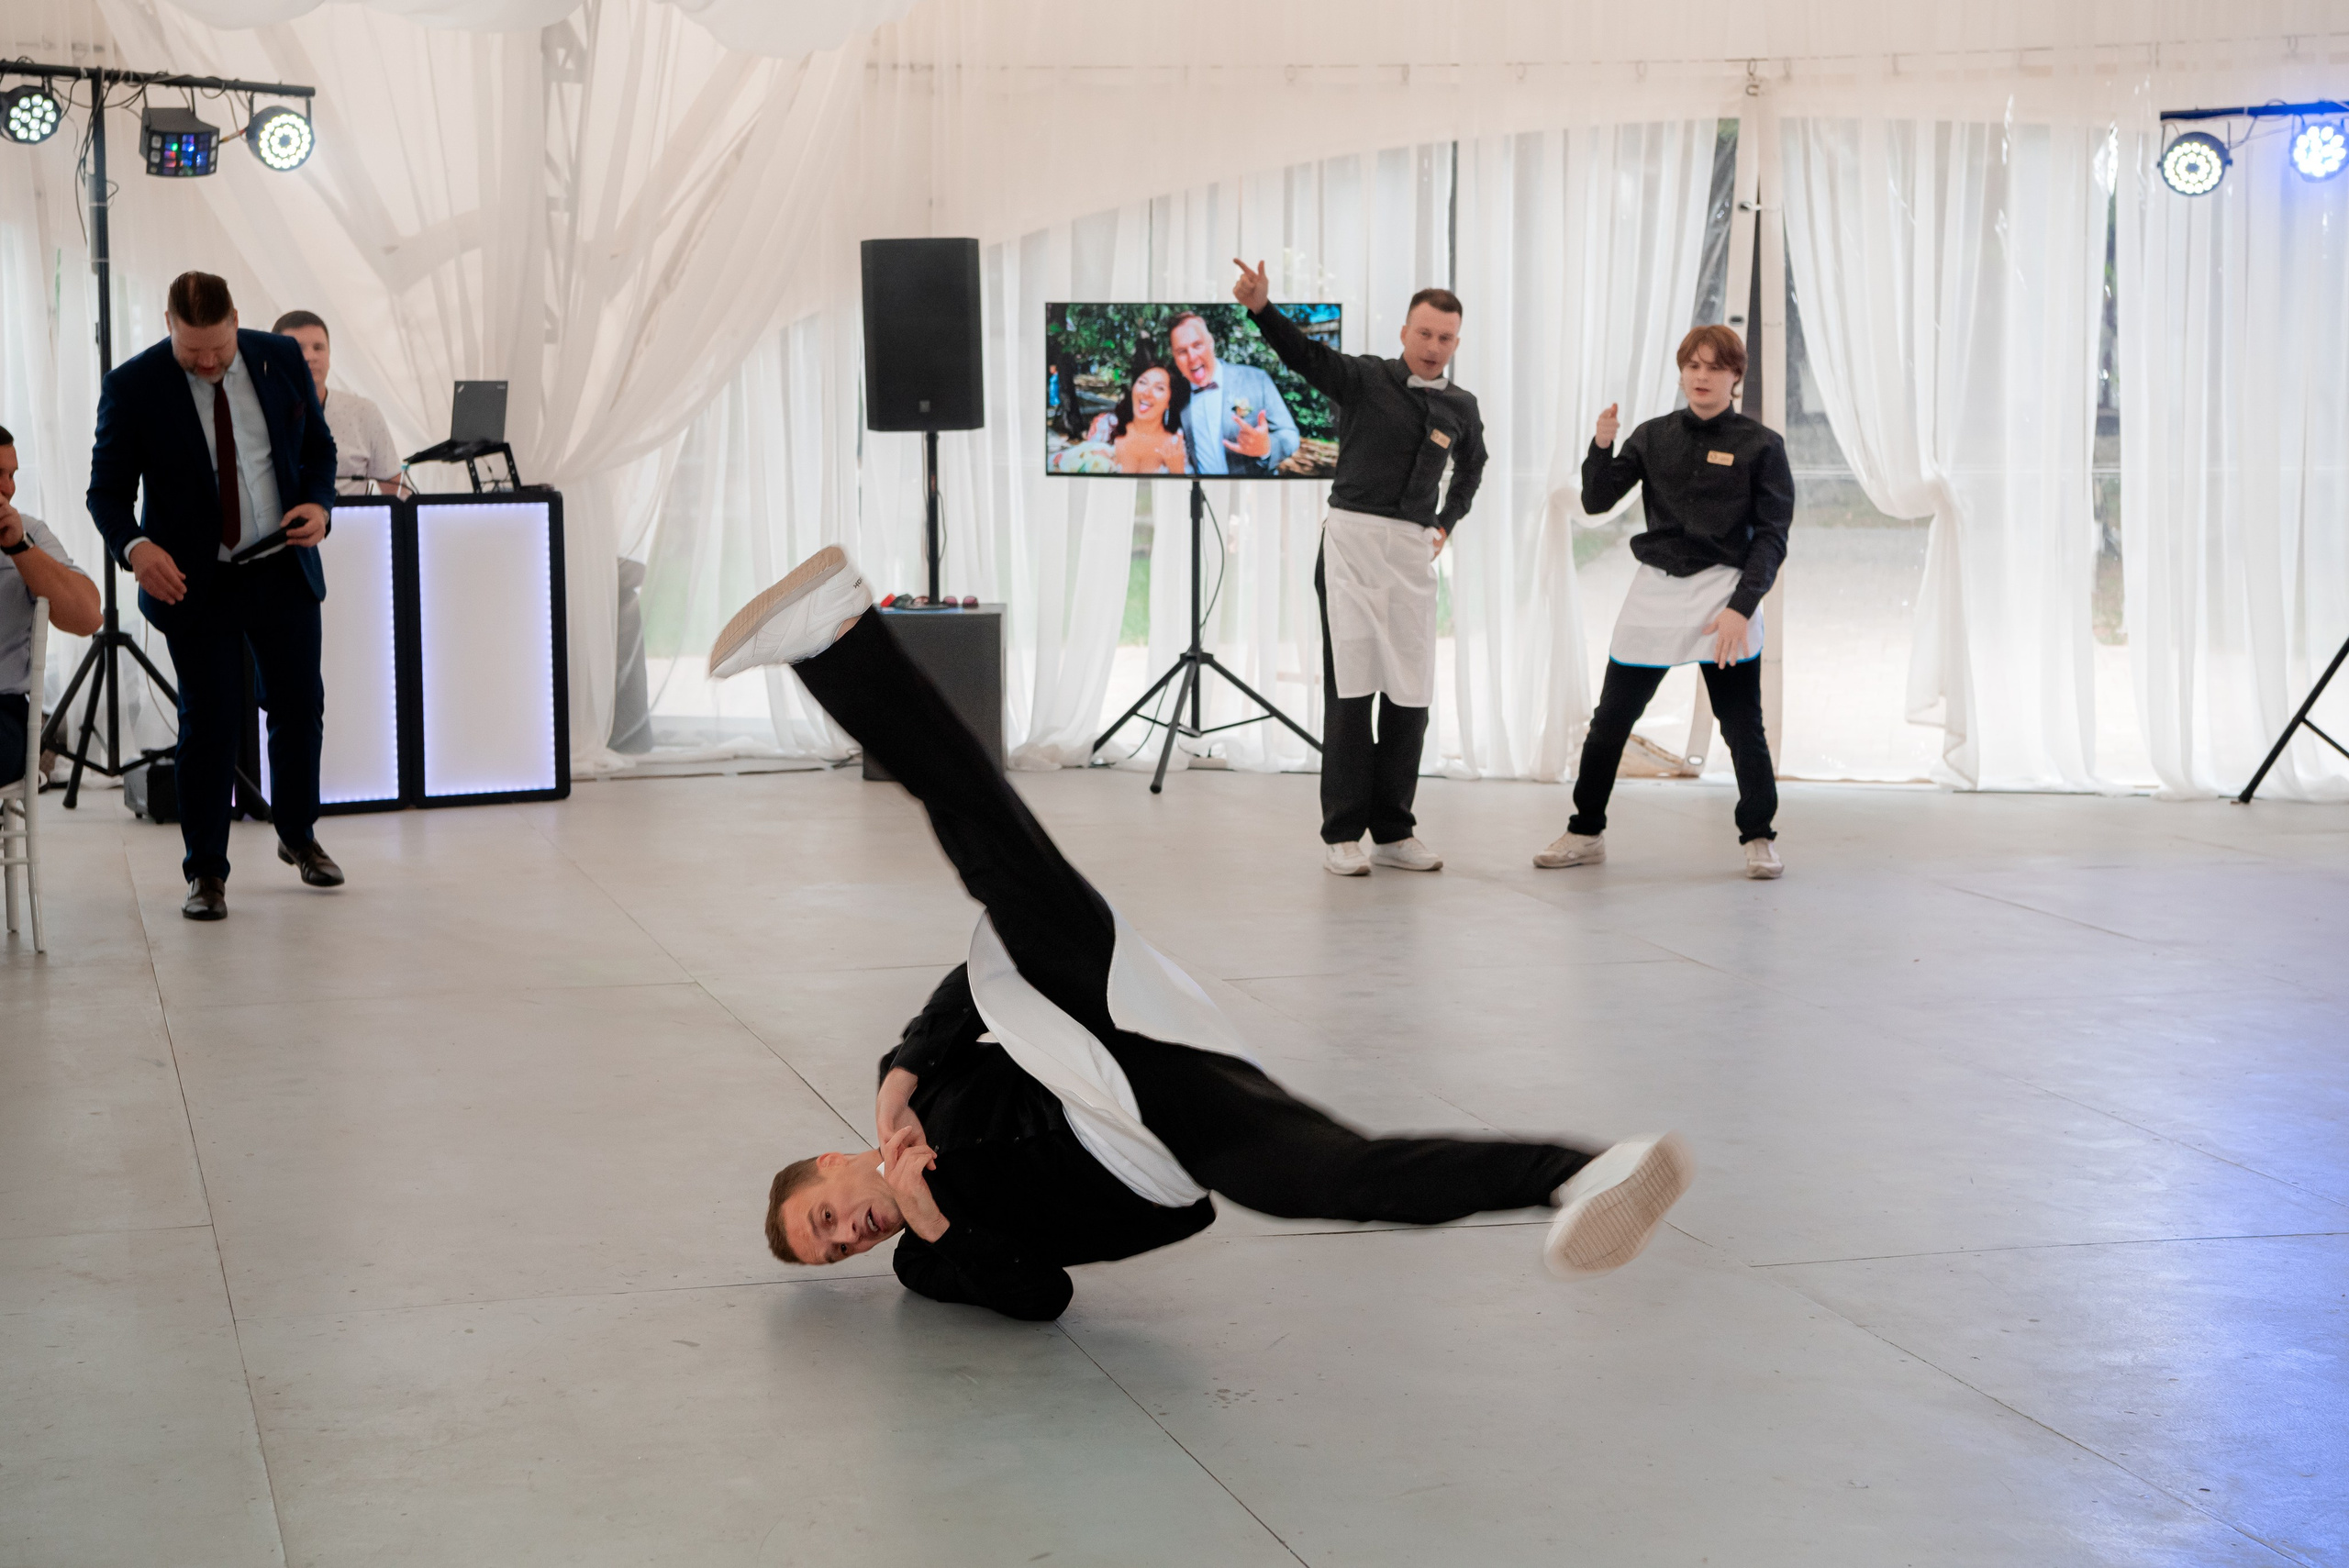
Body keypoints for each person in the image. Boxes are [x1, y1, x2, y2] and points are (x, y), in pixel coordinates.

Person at [704, 543, 1694, 1320]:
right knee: (1329, 1176)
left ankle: (838, 633)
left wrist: (904, 1067)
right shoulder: (925, 1260)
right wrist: (935, 1219)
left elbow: (971, 988)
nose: (851, 1233)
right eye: (837, 1250)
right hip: (1154, 1140)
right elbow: (1042, 1297)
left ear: (829, 1162)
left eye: (826, 1216)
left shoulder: (919, 1095)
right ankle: (1584, 1171)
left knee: (990, 846)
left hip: (1101, 1014)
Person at [87, 272, 344, 921]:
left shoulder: (280, 357)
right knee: (212, 721)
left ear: (235, 320)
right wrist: (137, 548)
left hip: (281, 565)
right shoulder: (133, 386)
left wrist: (319, 504)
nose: (207, 364)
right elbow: (106, 494)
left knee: (299, 705)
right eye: (191, 351)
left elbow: (319, 449)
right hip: (195, 581)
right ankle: (205, 871)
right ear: (167, 325)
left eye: (218, 350)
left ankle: (298, 834)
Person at [1231, 261, 1486, 877]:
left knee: (1410, 694)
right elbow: (1306, 358)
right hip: (1351, 544)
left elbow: (1473, 468)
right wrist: (1262, 309)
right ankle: (1342, 833)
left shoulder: (1461, 406)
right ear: (1404, 332)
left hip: (1410, 554)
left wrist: (1446, 522)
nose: (1433, 346)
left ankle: (1394, 831)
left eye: (1445, 337)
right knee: (1351, 690)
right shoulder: (1366, 378)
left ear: (1456, 343)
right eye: (1424, 333)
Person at [1535, 326, 1793, 881]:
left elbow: (1773, 537)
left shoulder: (1763, 445)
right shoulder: (1652, 436)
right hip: (1655, 591)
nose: (1702, 376)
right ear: (1681, 373)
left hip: (1723, 595)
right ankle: (1585, 831)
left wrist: (1741, 607)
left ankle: (1758, 836)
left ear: (1735, 376)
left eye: (1715, 367)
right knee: (1610, 721)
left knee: (1741, 725)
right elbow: (1596, 500)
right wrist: (1601, 445)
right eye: (1693, 366)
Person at [0, 428, 103, 787]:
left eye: (12, 475)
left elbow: (88, 617)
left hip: (4, 711)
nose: (8, 488)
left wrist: (19, 548)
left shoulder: (28, 532)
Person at [272, 309, 402, 497]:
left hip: (351, 515)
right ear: (276, 357)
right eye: (298, 348)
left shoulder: (364, 412)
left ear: (329, 356)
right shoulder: (260, 415)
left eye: (318, 347)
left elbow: (397, 492)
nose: (310, 356)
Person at [1168, 310, 1300, 478]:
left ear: (1211, 342)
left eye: (1198, 345)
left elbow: (1290, 435)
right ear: (1174, 357)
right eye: (1182, 351)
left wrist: (1266, 447)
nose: (1192, 357)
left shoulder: (1256, 379)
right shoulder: (1176, 396)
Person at [1108, 361, 1189, 475]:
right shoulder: (1106, 427)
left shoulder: (1176, 445)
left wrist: (1177, 471)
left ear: (1170, 401)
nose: (1147, 393)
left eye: (1159, 388)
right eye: (1143, 382)